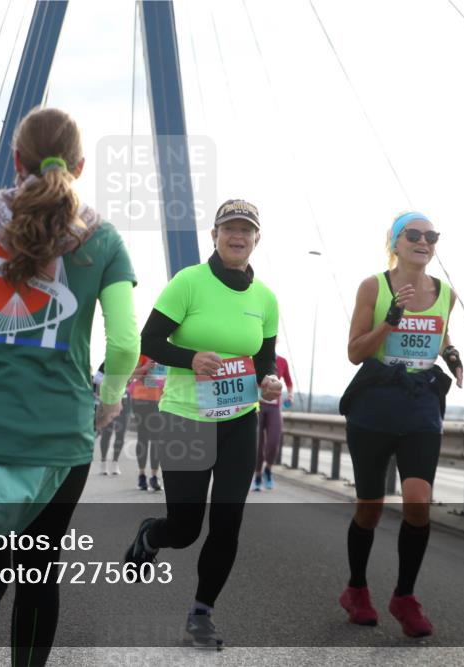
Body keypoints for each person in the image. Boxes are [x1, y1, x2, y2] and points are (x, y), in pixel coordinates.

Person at [0, 107, 139, 667]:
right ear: (80, 167)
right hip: (60, 434)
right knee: (39, 571)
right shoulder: (102, 240)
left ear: (14, 161)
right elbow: (127, 342)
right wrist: (107, 402)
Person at [123, 199, 282, 649]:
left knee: (228, 523)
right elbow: (150, 340)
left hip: (239, 420)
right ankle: (152, 535)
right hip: (186, 419)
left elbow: (264, 356)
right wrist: (190, 358)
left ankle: (201, 614)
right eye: (229, 228)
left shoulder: (265, 298)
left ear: (256, 239)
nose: (238, 236)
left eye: (246, 230)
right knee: (186, 526)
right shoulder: (188, 283)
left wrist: (268, 381)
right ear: (214, 235)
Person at [337, 211, 463, 638]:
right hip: (374, 403)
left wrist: (453, 357)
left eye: (431, 236)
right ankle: (356, 590)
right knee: (370, 507)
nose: (423, 241)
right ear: (395, 241)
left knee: (417, 500)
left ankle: (404, 597)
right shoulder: (373, 286)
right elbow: (355, 351)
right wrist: (390, 321)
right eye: (414, 234)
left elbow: (441, 336)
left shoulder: (447, 292)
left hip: (420, 404)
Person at [253, 351, 293, 490]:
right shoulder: (252, 358)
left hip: (274, 406)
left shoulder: (282, 361)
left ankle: (268, 470)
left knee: (274, 442)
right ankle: (257, 475)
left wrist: (290, 396)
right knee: (258, 444)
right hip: (257, 405)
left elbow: (288, 382)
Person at [130, 354, 166, 491]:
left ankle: (154, 477)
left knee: (156, 439)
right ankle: (142, 475)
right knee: (143, 437)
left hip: (158, 400)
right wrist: (144, 367)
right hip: (141, 399)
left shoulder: (167, 355)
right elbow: (131, 375)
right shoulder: (141, 354)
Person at [97, 359, 131, 475]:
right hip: (109, 400)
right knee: (107, 432)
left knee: (121, 433)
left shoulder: (130, 362)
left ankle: (115, 463)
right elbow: (97, 378)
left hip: (125, 401)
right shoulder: (107, 362)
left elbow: (135, 379)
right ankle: (103, 462)